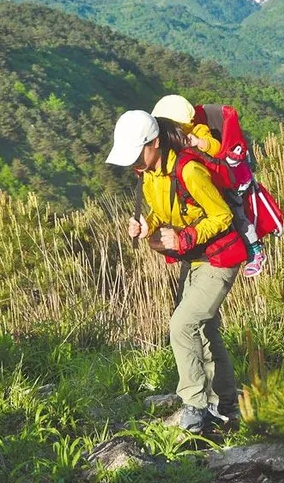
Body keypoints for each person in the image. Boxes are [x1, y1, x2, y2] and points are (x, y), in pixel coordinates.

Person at [106, 110, 246, 432]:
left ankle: (195, 407)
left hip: (219, 258)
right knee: (205, 330)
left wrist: (186, 237)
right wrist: (147, 224)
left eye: (136, 154)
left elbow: (222, 216)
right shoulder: (149, 174)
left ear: (155, 142)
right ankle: (225, 405)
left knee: (182, 324)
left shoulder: (190, 170)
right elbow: (162, 211)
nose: (133, 163)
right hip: (195, 258)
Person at [151, 95, 268, 277]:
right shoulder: (173, 139)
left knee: (238, 217)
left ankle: (255, 250)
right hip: (202, 186)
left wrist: (199, 142)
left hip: (222, 184)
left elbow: (216, 147)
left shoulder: (198, 129)